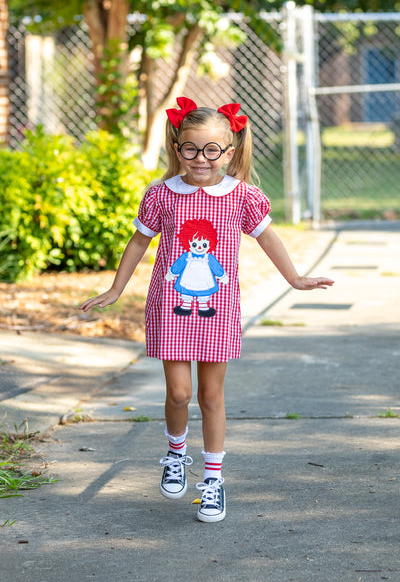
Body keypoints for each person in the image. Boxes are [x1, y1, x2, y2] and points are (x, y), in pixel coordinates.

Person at [79, 96, 334, 523]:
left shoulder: (243, 196)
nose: (201, 158)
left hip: (219, 309)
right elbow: (140, 241)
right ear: (177, 148)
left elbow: (268, 238)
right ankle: (176, 452)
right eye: (191, 148)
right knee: (179, 393)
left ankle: (213, 481)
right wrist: (115, 287)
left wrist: (294, 278)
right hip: (170, 306)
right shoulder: (161, 194)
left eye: (212, 149)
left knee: (210, 395)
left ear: (229, 152)